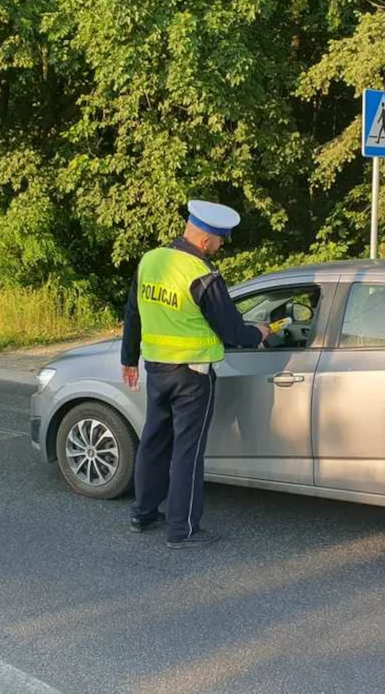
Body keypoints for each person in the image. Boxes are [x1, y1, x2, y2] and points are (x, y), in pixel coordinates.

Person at [120, 200, 270, 549]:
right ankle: (182, 529)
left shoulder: (151, 260)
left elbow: (133, 314)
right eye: (220, 241)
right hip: (193, 376)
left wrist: (128, 359)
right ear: (205, 240)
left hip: (157, 368)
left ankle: (143, 514)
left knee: (154, 441)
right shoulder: (202, 274)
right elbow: (231, 330)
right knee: (187, 450)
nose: (220, 247)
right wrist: (258, 334)